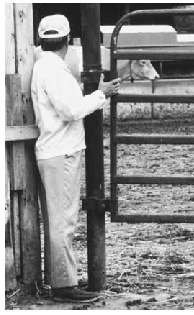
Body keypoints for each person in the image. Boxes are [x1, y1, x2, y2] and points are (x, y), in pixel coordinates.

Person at [31, 14, 121, 303]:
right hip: (62, 151)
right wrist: (100, 94)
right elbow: (71, 110)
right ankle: (63, 286)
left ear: (41, 40)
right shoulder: (54, 71)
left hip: (55, 150)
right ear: (68, 40)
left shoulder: (45, 68)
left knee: (59, 218)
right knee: (62, 221)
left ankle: (61, 279)